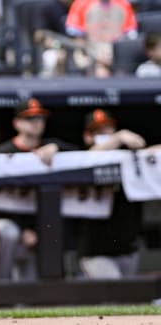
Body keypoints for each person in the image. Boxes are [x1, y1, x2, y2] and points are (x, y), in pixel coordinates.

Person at [0, 98, 78, 280]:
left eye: (40, 118)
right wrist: (24, 229)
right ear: (17, 123)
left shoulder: (51, 147)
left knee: (28, 284)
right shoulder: (2, 151)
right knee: (8, 232)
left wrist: (57, 147)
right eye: (30, 118)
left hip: (40, 229)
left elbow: (83, 155)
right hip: (7, 223)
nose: (37, 123)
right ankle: (1, 287)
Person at [74, 109, 160, 279]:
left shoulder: (127, 159)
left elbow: (152, 155)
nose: (104, 134)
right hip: (95, 251)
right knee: (114, 291)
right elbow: (88, 158)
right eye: (98, 130)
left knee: (130, 300)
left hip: (128, 248)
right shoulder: (80, 158)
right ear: (87, 136)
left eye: (107, 129)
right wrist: (119, 137)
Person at [66, 0, 137, 78]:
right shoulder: (81, 3)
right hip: (89, 50)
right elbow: (75, 37)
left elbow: (130, 37)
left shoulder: (124, 4)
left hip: (117, 51)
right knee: (100, 72)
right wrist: (95, 54)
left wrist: (114, 53)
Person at [33, 0, 87, 78]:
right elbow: (39, 35)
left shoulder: (87, 5)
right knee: (55, 57)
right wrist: (60, 45)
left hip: (84, 50)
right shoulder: (49, 7)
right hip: (59, 49)